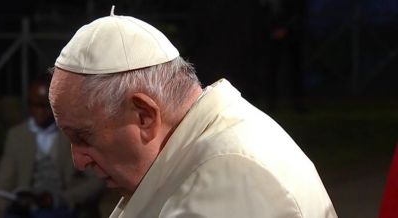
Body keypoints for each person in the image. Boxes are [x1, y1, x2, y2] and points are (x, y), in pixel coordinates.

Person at [49, 7, 337, 218]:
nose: (78, 161)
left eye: (83, 137)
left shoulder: (232, 173)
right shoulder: (202, 149)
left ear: (145, 115)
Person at [0, 75, 104, 218]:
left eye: (44, 106)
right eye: (34, 105)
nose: (39, 111)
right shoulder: (17, 136)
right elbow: (2, 184)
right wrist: (12, 203)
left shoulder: (72, 134)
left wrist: (64, 198)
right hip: (28, 209)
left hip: (64, 207)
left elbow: (97, 180)